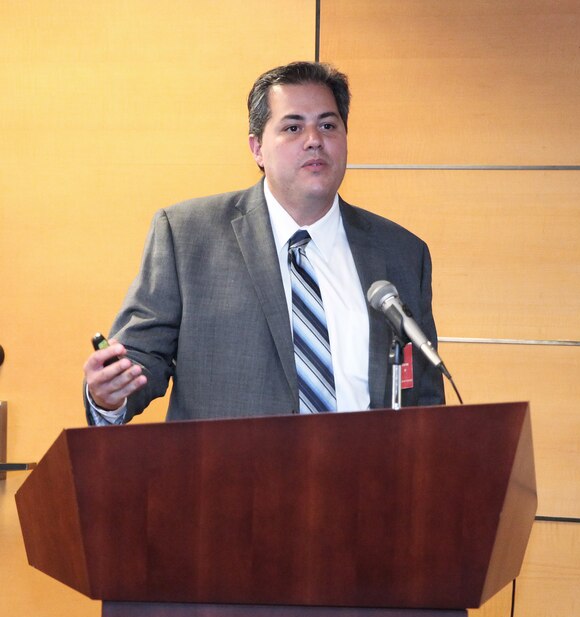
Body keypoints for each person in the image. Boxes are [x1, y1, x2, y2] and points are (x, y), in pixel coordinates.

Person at [83, 61, 444, 424]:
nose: (314, 140)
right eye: (292, 127)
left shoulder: (401, 253)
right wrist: (109, 395)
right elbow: (142, 359)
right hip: (231, 476)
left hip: (364, 478)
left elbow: (424, 399)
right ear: (257, 148)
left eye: (328, 125)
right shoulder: (188, 236)